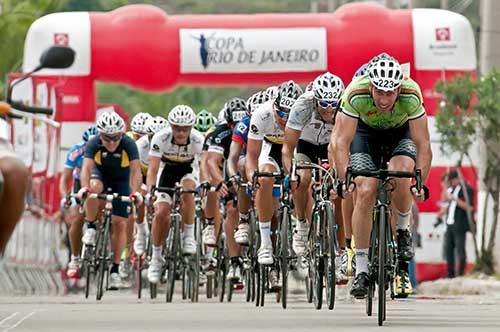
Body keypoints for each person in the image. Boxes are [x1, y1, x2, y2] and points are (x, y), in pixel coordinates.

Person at [333, 53, 432, 299]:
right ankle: (363, 269)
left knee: (402, 175)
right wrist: (345, 178)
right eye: (379, 92)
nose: (384, 100)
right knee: (365, 190)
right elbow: (340, 142)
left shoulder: (411, 94)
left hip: (400, 133)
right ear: (370, 87)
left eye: (390, 93)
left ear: (399, 89)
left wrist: (421, 182)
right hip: (365, 135)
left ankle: (402, 231)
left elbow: (423, 145)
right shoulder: (355, 93)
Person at [78, 111, 143, 290]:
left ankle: (114, 269)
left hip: (121, 180)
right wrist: (84, 188)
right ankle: (91, 226)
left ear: (121, 134)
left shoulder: (128, 144)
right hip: (100, 175)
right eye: (107, 139)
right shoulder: (93, 143)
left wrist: (136, 193)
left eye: (116, 138)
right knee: (93, 188)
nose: (112, 143)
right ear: (100, 135)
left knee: (120, 223)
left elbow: (136, 172)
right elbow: (86, 168)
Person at [146, 105, 204, 284]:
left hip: (189, 170)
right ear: (170, 126)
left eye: (185, 128)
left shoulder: (198, 140)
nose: (180, 132)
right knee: (161, 213)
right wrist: (150, 192)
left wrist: (202, 187)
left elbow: (202, 167)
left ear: (191, 127)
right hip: (167, 171)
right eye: (177, 128)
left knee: (188, 191)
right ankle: (156, 259)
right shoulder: (160, 138)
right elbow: (153, 170)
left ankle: (188, 236)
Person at [60, 126, 98, 278]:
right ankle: (74, 258)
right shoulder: (76, 151)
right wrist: (66, 196)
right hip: (79, 183)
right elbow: (65, 178)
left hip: (100, 181)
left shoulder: (107, 150)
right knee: (76, 219)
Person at [443, 169, 474, 278]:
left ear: (457, 179)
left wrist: (455, 199)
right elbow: (444, 201)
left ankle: (460, 273)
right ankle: (450, 274)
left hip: (460, 224)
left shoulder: (467, 189)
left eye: (452, 181)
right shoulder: (452, 189)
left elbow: (470, 207)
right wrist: (446, 188)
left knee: (460, 250)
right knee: (449, 250)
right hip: (450, 223)